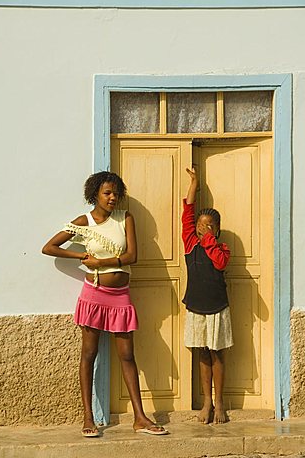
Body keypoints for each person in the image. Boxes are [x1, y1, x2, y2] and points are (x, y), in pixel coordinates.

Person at [42, 171, 168, 437]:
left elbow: (132, 255)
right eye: (106, 193)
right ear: (95, 194)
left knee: (127, 356)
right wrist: (80, 255)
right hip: (94, 294)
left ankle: (140, 418)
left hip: (120, 295)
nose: (112, 198)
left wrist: (101, 262)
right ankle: (88, 418)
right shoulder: (84, 222)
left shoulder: (126, 218)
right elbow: (49, 247)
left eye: (115, 193)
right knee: (89, 354)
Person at [181, 167, 233, 425]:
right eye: (200, 226)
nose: (202, 229)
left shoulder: (221, 248)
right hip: (196, 306)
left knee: (217, 354)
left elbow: (220, 263)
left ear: (217, 229)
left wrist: (209, 240)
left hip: (218, 307)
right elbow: (187, 212)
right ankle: (206, 402)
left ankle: (220, 402)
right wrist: (194, 183)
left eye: (209, 226)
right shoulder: (190, 244)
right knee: (202, 353)